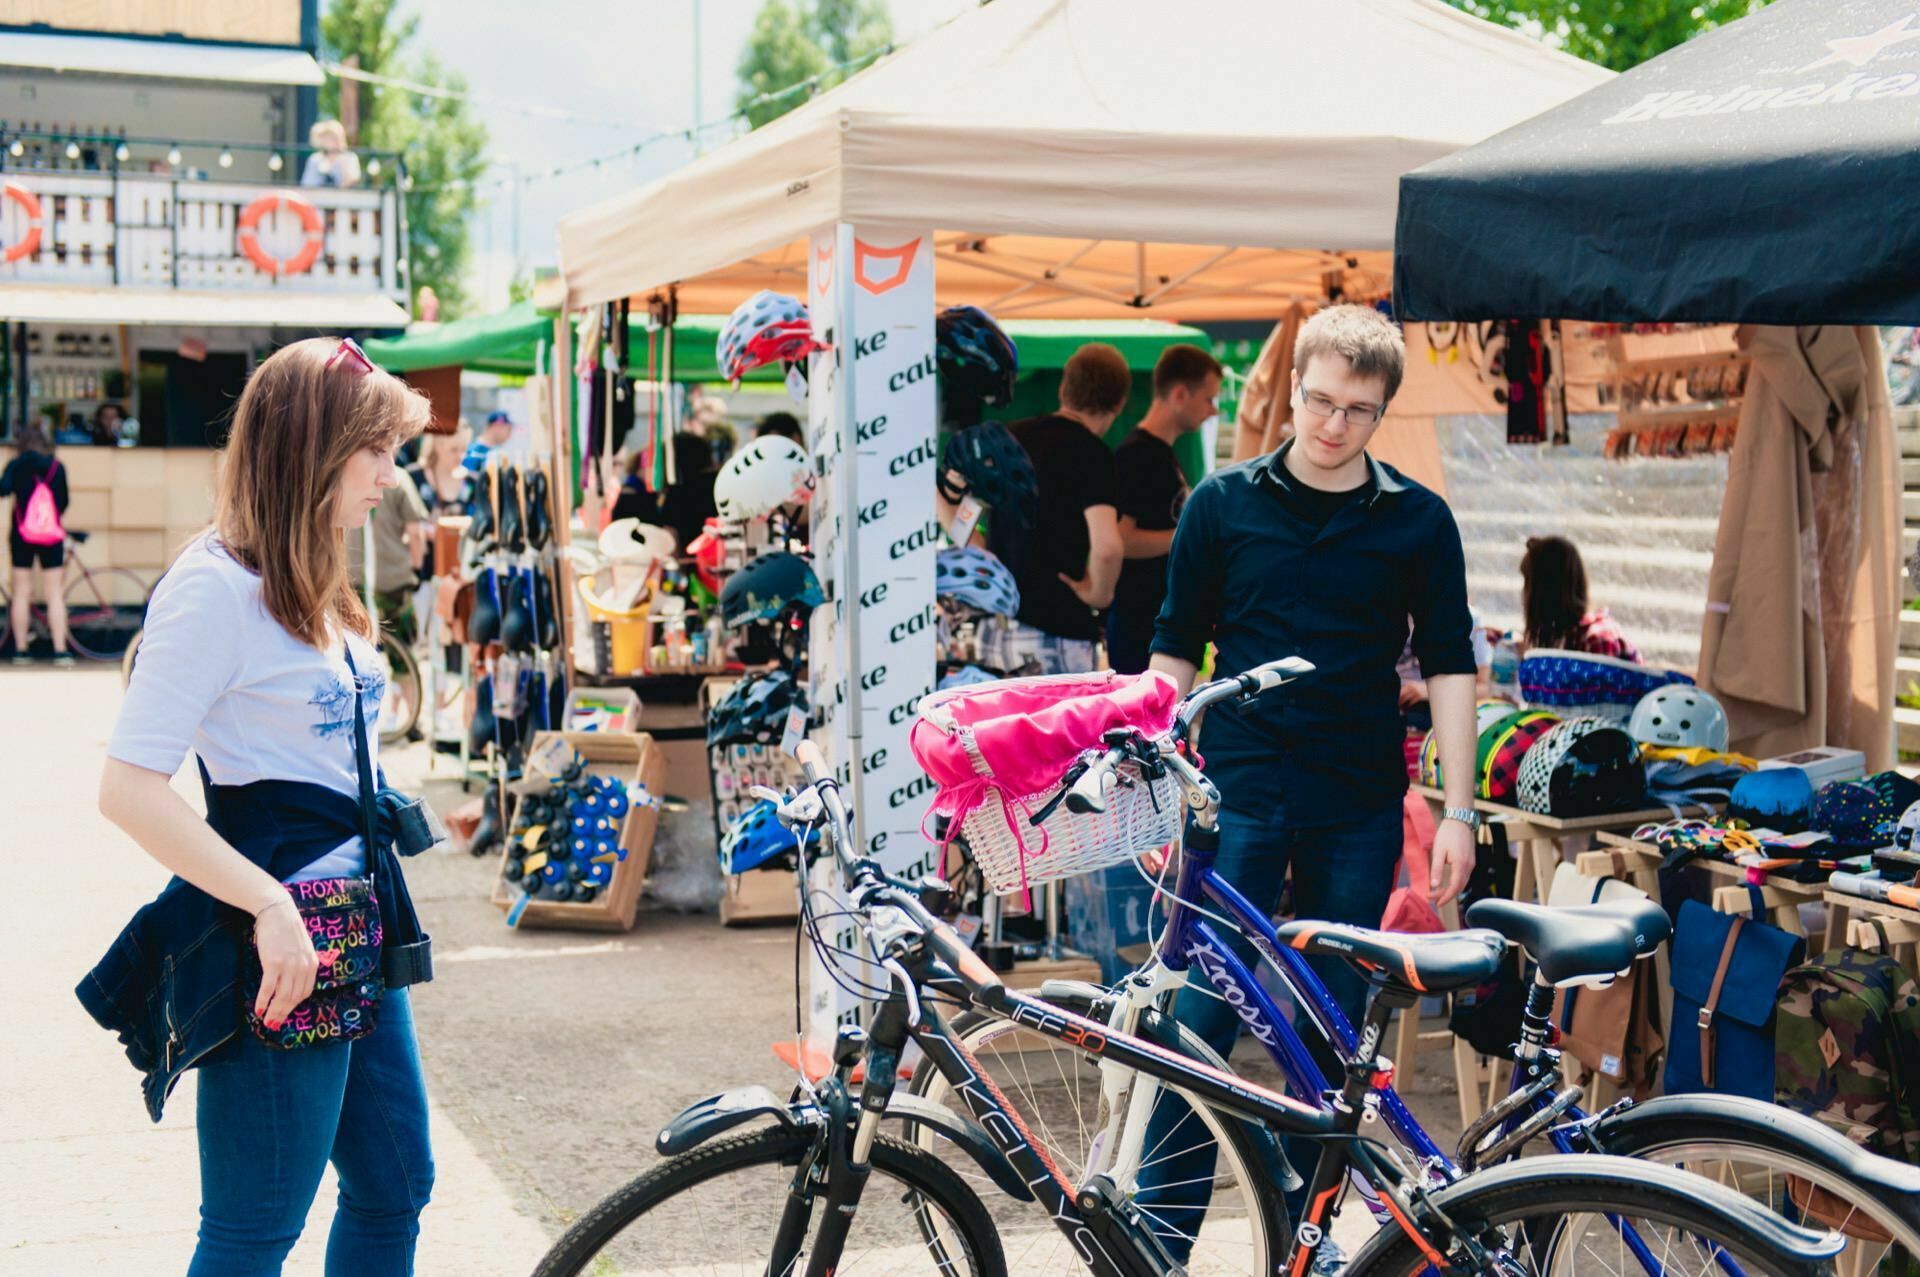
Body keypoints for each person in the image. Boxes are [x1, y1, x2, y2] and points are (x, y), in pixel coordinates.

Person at [83, 337, 436, 1274]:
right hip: (277, 943)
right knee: (253, 1228)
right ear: (316, 450)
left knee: (396, 1185)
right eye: (377, 452)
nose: (388, 477)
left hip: (352, 925)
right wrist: (271, 907)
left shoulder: (311, 573)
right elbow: (127, 785)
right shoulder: (213, 588)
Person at [1139, 305, 1480, 1265]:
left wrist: (1456, 810)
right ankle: (1158, 1244)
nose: (1332, 426)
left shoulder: (1418, 518)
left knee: (1329, 1037)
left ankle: (1309, 1238)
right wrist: (1155, 768)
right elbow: (1172, 653)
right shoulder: (1219, 504)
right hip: (1234, 795)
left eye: (1357, 411)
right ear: (1291, 391)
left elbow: (1453, 661)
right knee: (1192, 1026)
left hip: (1358, 801)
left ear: (1383, 414)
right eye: (1320, 401)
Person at [981, 343, 1129, 675]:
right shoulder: (1094, 454)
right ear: (1119, 403)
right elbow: (1107, 548)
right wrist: (1098, 595)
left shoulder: (1008, 438)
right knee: (1060, 727)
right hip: (1058, 631)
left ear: (1064, 388)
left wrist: (978, 550)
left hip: (995, 630)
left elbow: (947, 492)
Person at [1105, 344, 1221, 674]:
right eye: (1209, 399)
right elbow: (1121, 540)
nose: (1213, 411)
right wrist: (1190, 536)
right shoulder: (1136, 456)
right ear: (1181, 394)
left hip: (1157, 623)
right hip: (1138, 627)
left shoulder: (1161, 454)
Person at [3, 422, 73, 666]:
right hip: (51, 537)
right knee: (55, 593)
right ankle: (60, 650)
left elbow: (3, 490)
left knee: (21, 591)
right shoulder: (57, 467)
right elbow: (64, 502)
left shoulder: (16, 465)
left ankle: (21, 651)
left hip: (21, 536)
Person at [1519, 534, 1642, 661]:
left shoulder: (1598, 639)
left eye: (1528, 584)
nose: (1523, 592)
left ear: (1544, 590)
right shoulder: (1568, 634)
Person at [300, 119, 361, 189]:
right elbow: (308, 184)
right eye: (332, 138)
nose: (337, 141)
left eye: (339, 137)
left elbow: (353, 179)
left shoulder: (350, 157)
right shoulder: (315, 159)